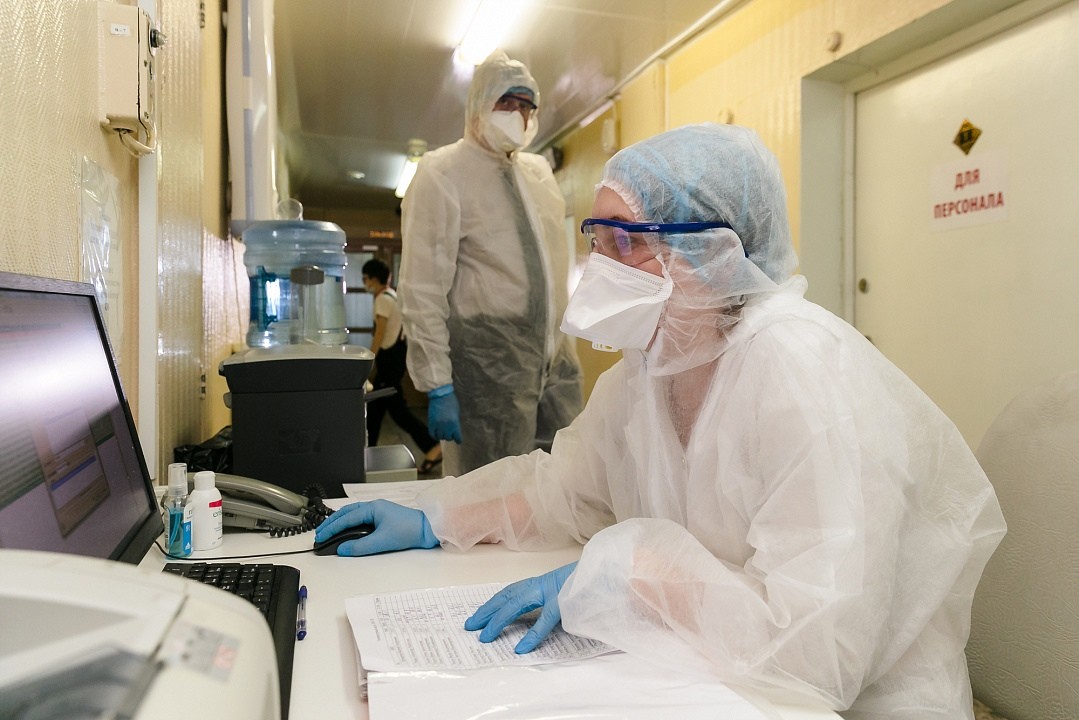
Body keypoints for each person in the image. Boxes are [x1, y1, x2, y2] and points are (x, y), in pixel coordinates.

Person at [318, 123, 1006, 720]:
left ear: (717, 252)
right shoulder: (650, 370)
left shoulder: (801, 373)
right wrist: (436, 519)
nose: (600, 266)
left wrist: (633, 572)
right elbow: (568, 490)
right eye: (597, 240)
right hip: (710, 673)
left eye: (625, 242)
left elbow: (819, 652)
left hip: (845, 706)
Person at [398, 50, 582, 476]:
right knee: (490, 496)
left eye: (525, 105)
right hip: (487, 369)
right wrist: (437, 383)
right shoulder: (444, 171)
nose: (516, 114)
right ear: (479, 104)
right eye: (506, 102)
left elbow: (552, 272)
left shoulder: (538, 174)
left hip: (555, 362)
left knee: (562, 484)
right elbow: (422, 286)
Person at [361, 258, 442, 474]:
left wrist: (369, 359)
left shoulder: (382, 300)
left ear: (374, 278)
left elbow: (380, 333)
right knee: (376, 409)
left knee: (397, 412)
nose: (364, 283)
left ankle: (433, 446)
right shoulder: (394, 296)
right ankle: (366, 454)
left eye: (365, 278)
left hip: (388, 360)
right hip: (397, 357)